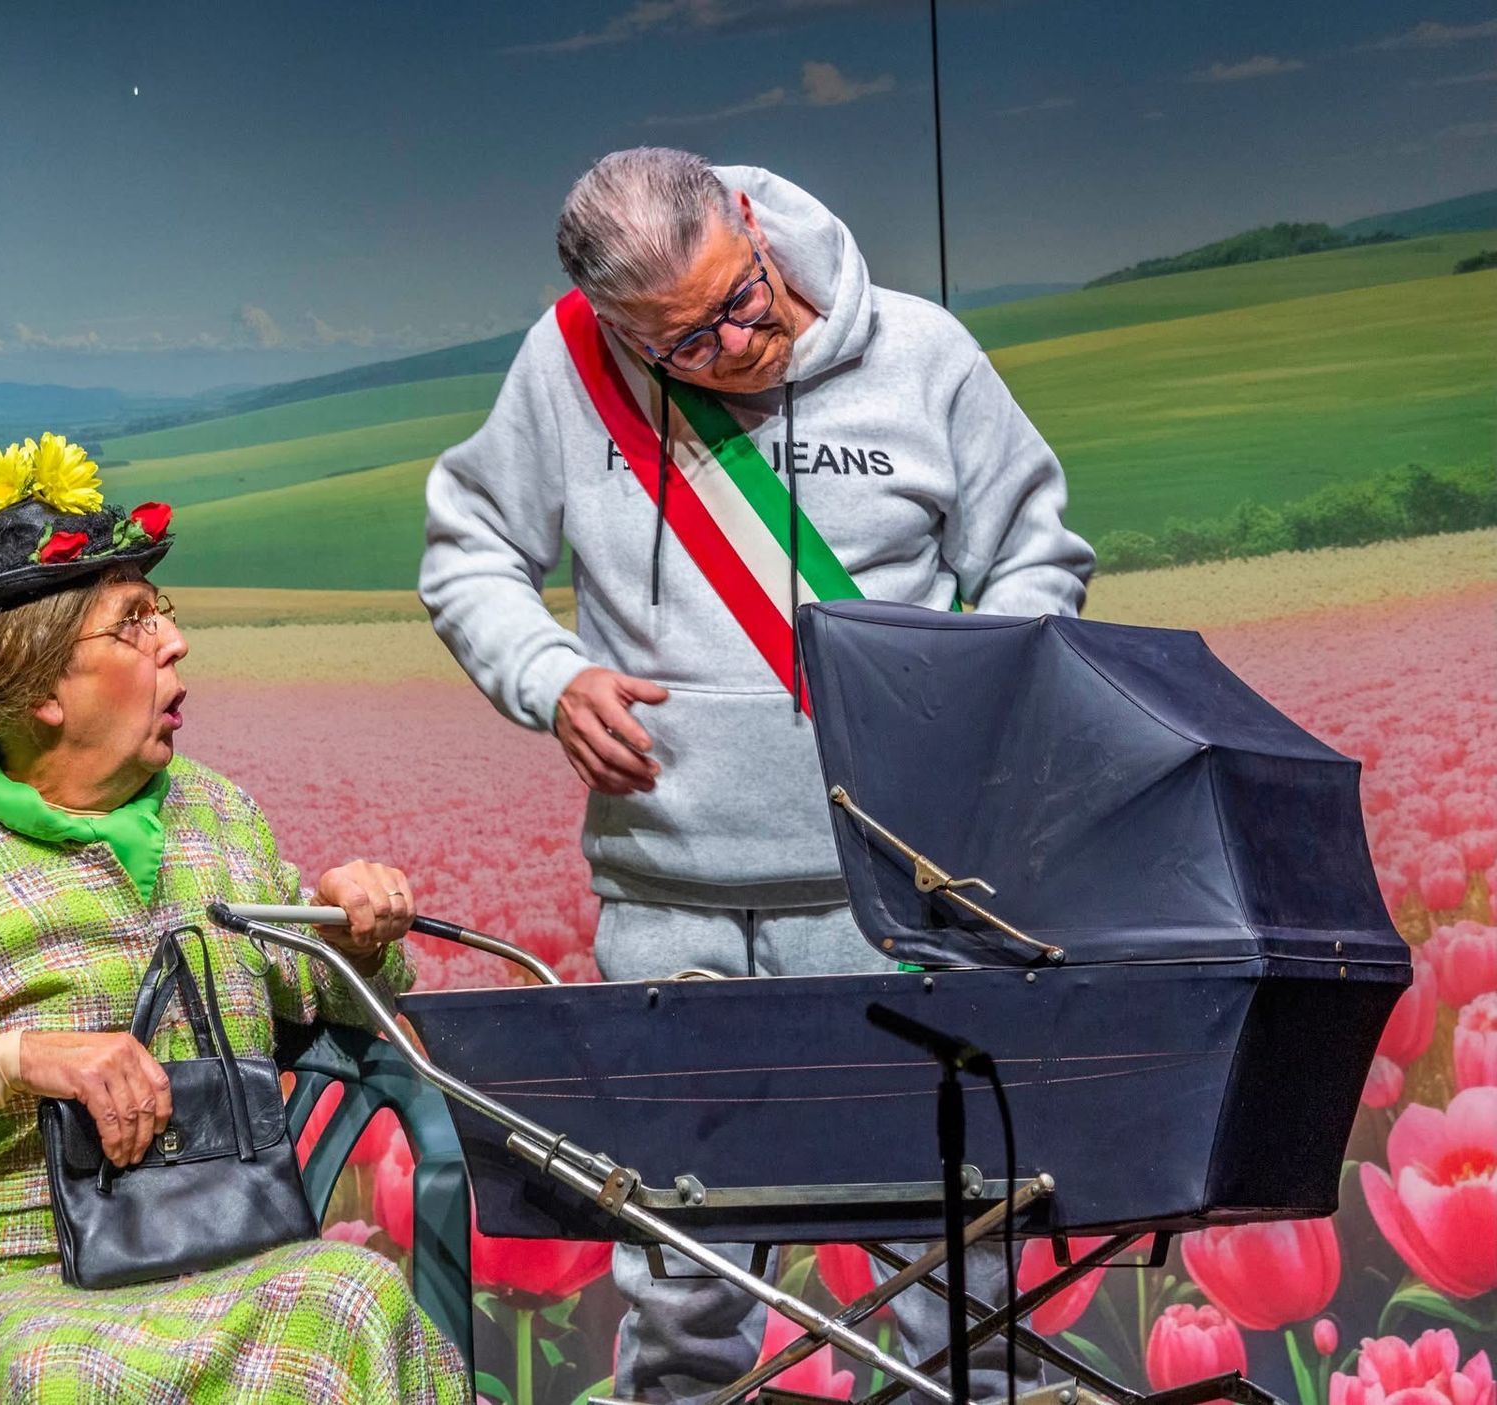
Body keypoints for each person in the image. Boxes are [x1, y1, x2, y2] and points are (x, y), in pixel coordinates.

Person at [420, 148, 1093, 1402]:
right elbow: (468, 551)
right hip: (667, 901)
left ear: (748, 221)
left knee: (954, 1264)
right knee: (680, 1282)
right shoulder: (567, 370)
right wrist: (551, 677)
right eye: (683, 342)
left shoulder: (924, 355)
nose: (737, 345)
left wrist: (963, 706)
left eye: (741, 298)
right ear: (618, 326)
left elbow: (1039, 558)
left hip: (894, 891)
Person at [0, 434, 468, 1404]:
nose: (174, 641)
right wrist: (4, 1065)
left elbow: (320, 992)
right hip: (14, 1288)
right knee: (79, 1375)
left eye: (161, 611)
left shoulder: (217, 817)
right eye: (133, 622)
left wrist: (352, 934)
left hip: (231, 1252)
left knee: (352, 1296)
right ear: (42, 684)